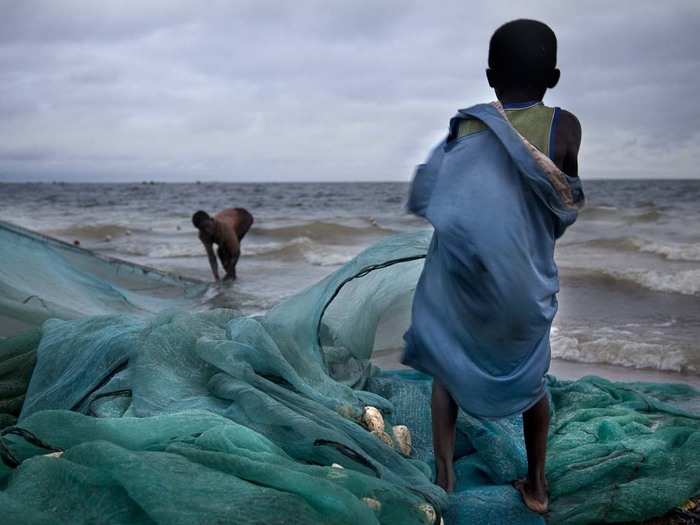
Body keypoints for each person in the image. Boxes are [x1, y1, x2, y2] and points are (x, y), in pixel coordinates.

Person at [401, 19, 583, 514]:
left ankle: (444, 475)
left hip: (468, 283)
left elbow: (437, 195)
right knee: (532, 377)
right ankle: (539, 485)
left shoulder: (468, 126)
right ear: (554, 76)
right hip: (527, 284)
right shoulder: (564, 125)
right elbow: (561, 198)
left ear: (489, 75)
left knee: (447, 366)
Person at [192, 208, 254, 281]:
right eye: (202, 228)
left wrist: (229, 273)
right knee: (221, 252)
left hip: (244, 218)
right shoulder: (203, 235)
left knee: (226, 251)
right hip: (229, 215)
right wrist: (216, 277)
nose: (207, 230)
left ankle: (232, 276)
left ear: (211, 220)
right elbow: (211, 257)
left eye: (207, 226)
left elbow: (236, 253)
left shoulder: (225, 229)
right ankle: (231, 277)